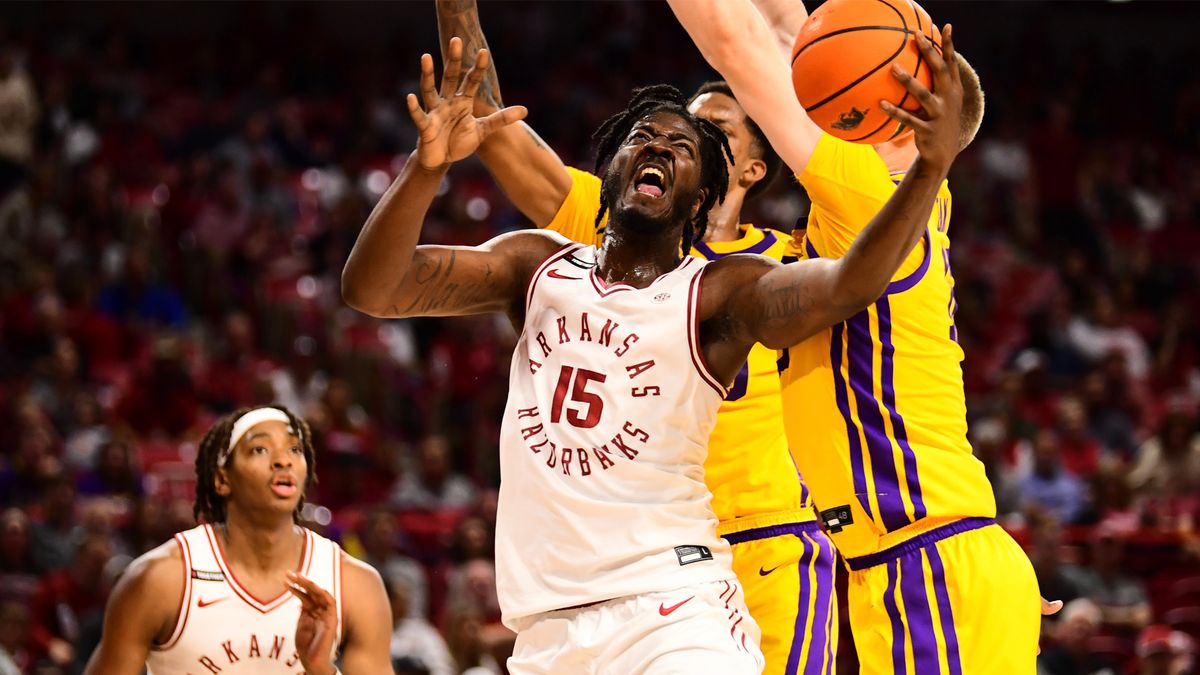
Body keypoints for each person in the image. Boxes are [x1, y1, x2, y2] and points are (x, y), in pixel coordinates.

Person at [342, 29, 962, 673]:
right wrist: (427, 168)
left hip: (689, 591)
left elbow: (851, 283)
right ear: (607, 172)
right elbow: (373, 287)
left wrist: (929, 166)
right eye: (644, 138)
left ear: (705, 193)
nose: (661, 147)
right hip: (550, 623)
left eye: (690, 145)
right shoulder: (536, 264)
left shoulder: (725, 289)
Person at [433, 1, 836, 670]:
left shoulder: (793, 262)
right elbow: (492, 125)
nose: (685, 137)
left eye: (715, 129)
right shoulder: (616, 234)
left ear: (753, 169)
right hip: (643, 562)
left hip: (775, 541)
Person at [665, 0, 1051, 672]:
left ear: (891, 102)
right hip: (921, 560)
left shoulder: (868, 192)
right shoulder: (900, 200)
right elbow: (789, 29)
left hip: (929, 561)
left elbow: (736, 39)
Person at [83, 405, 392, 674]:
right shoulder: (160, 578)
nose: (283, 461)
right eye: (260, 449)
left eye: (294, 449)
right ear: (222, 479)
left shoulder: (354, 584)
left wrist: (321, 670)